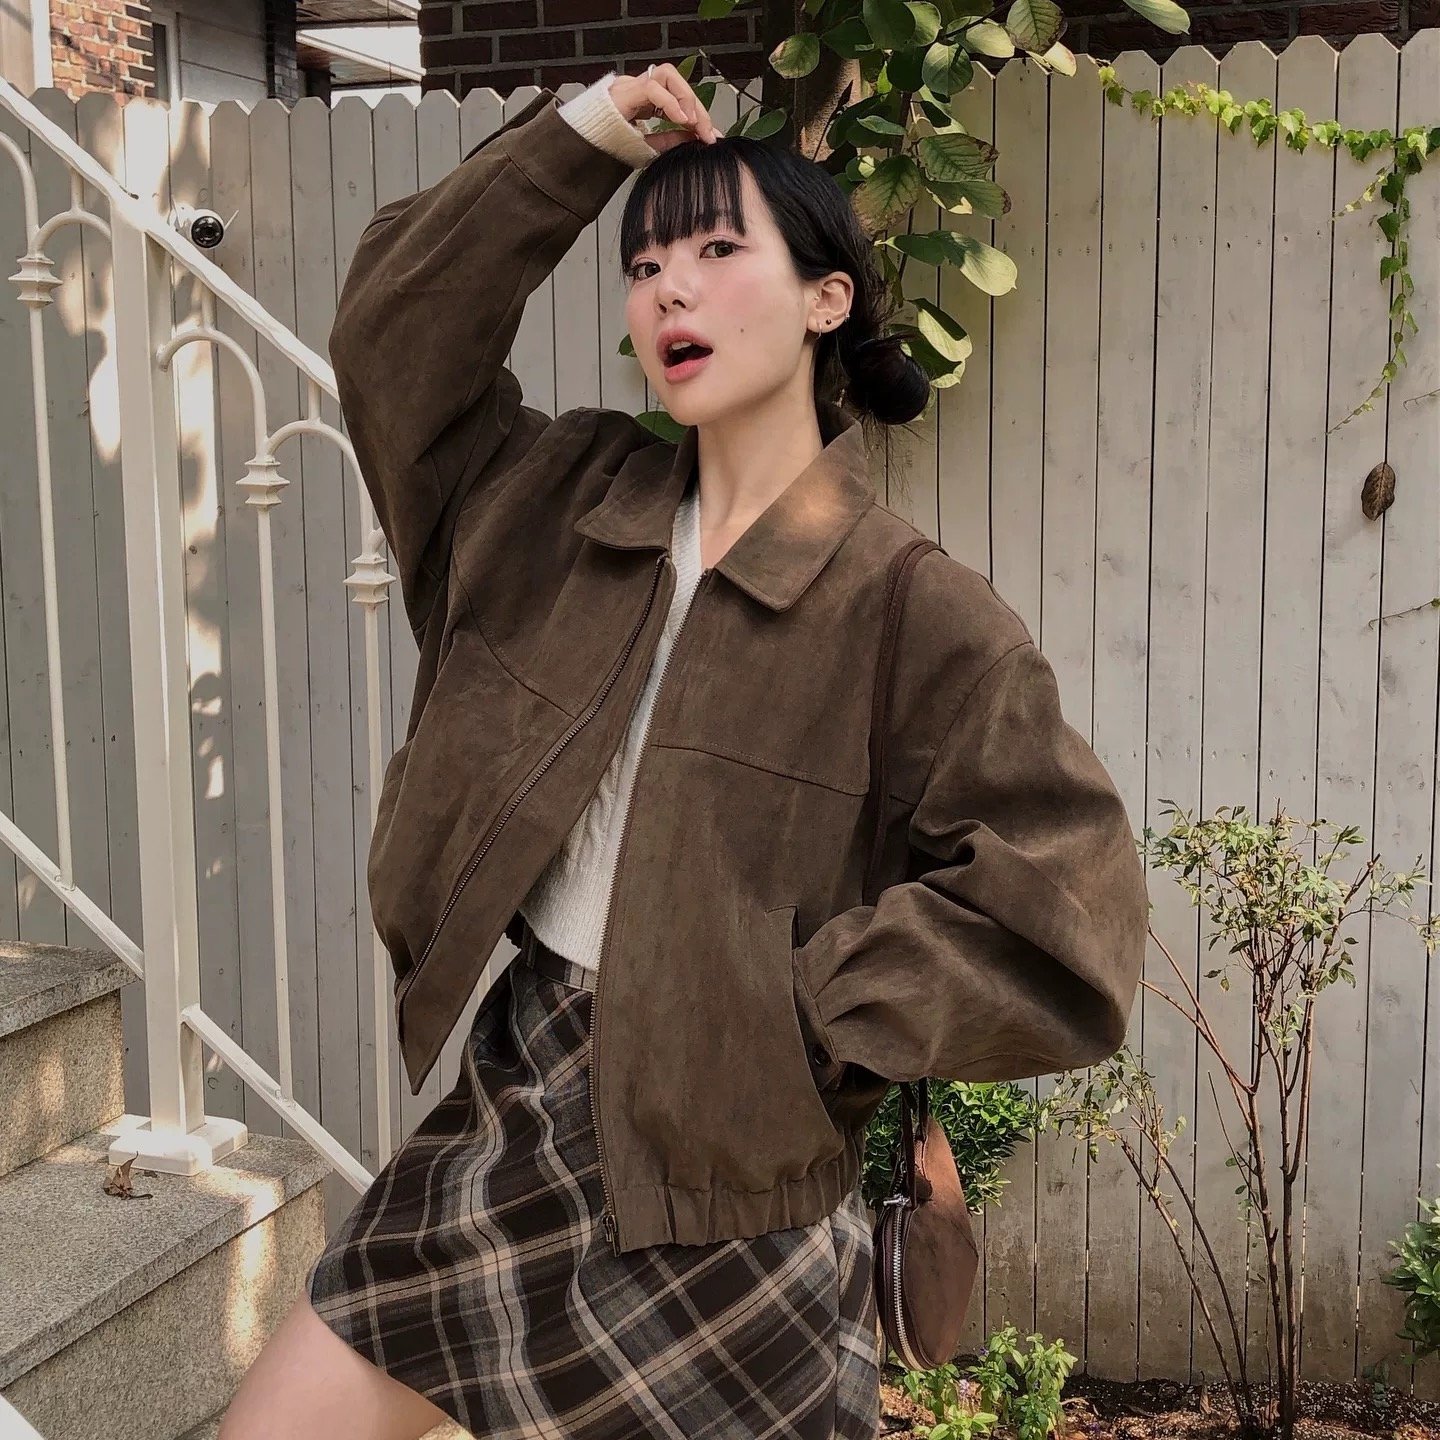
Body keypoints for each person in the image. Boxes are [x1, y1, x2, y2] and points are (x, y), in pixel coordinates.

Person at [219, 61, 1150, 1440]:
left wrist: (800, 1016)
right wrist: (587, 135)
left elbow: (1069, 915)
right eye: (646, 264)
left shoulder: (916, 610)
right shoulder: (548, 505)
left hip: (734, 1181)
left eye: (718, 251)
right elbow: (392, 337)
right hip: (522, 1092)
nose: (669, 291)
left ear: (828, 299)